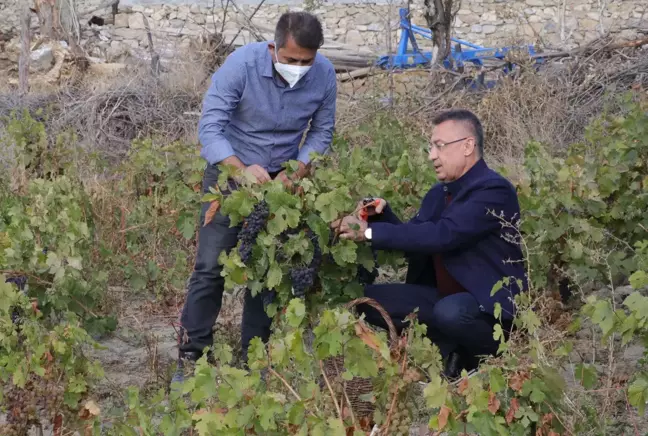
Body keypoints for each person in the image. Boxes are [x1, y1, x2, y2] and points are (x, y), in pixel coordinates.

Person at [173, 11, 337, 384]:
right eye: (291, 59)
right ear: (273, 48)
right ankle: (190, 358)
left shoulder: (325, 74)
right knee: (211, 267)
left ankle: (254, 360)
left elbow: (322, 132)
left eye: (306, 62)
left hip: (283, 180)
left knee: (267, 270)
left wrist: (299, 169)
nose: (298, 67)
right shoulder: (241, 66)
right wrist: (239, 169)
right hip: (231, 172)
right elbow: (210, 128)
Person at [331, 109, 526, 379]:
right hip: (442, 299)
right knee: (364, 301)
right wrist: (381, 217)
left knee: (451, 312)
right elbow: (417, 239)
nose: (431, 155)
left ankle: (490, 357)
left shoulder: (493, 190)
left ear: (468, 146)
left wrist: (368, 234)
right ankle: (451, 351)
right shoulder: (439, 193)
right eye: (430, 147)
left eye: (439, 146)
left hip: (488, 307)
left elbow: (444, 235)